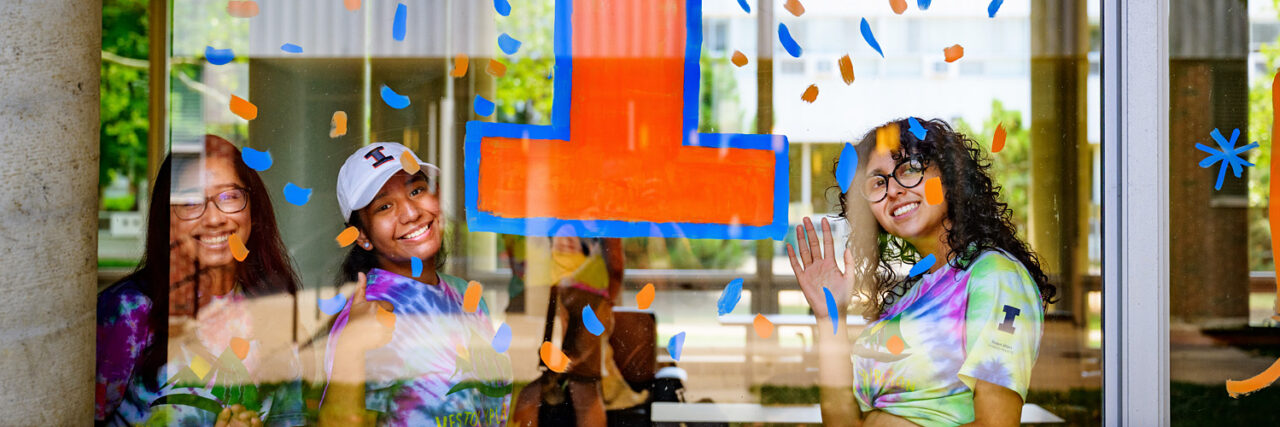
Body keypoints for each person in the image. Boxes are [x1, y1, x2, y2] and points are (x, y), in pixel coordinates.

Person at [786, 118, 1057, 426]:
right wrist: (829, 317)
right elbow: (842, 422)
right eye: (877, 182)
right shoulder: (911, 295)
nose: (894, 190)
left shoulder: (996, 276)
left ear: (950, 177)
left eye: (909, 168)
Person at [95, 135, 305, 426]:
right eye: (191, 202)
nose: (214, 218)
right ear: (167, 219)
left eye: (229, 196)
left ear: (252, 209)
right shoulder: (129, 312)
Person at [319, 143, 512, 426]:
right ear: (362, 236)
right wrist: (351, 347)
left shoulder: (464, 294)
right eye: (384, 206)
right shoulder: (370, 314)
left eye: (416, 190)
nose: (410, 213)